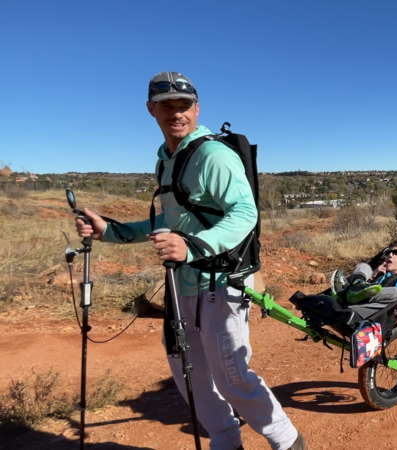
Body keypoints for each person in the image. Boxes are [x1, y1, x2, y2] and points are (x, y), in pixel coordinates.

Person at [75, 72, 305, 450]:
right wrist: (110, 231)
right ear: (151, 109)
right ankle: (226, 442)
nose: (176, 114)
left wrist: (192, 246)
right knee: (191, 377)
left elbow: (245, 214)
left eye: (183, 106)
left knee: (232, 378)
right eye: (167, 106)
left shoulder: (213, 155)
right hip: (182, 286)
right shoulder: (167, 158)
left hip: (220, 282)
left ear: (196, 109)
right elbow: (168, 222)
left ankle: (287, 442)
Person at [335, 239, 397, 305]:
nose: (390, 255)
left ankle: (349, 292)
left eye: (396, 252)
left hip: (374, 305)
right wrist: (373, 275)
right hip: (356, 296)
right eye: (387, 253)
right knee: (364, 266)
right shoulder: (381, 272)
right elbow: (369, 279)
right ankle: (356, 285)